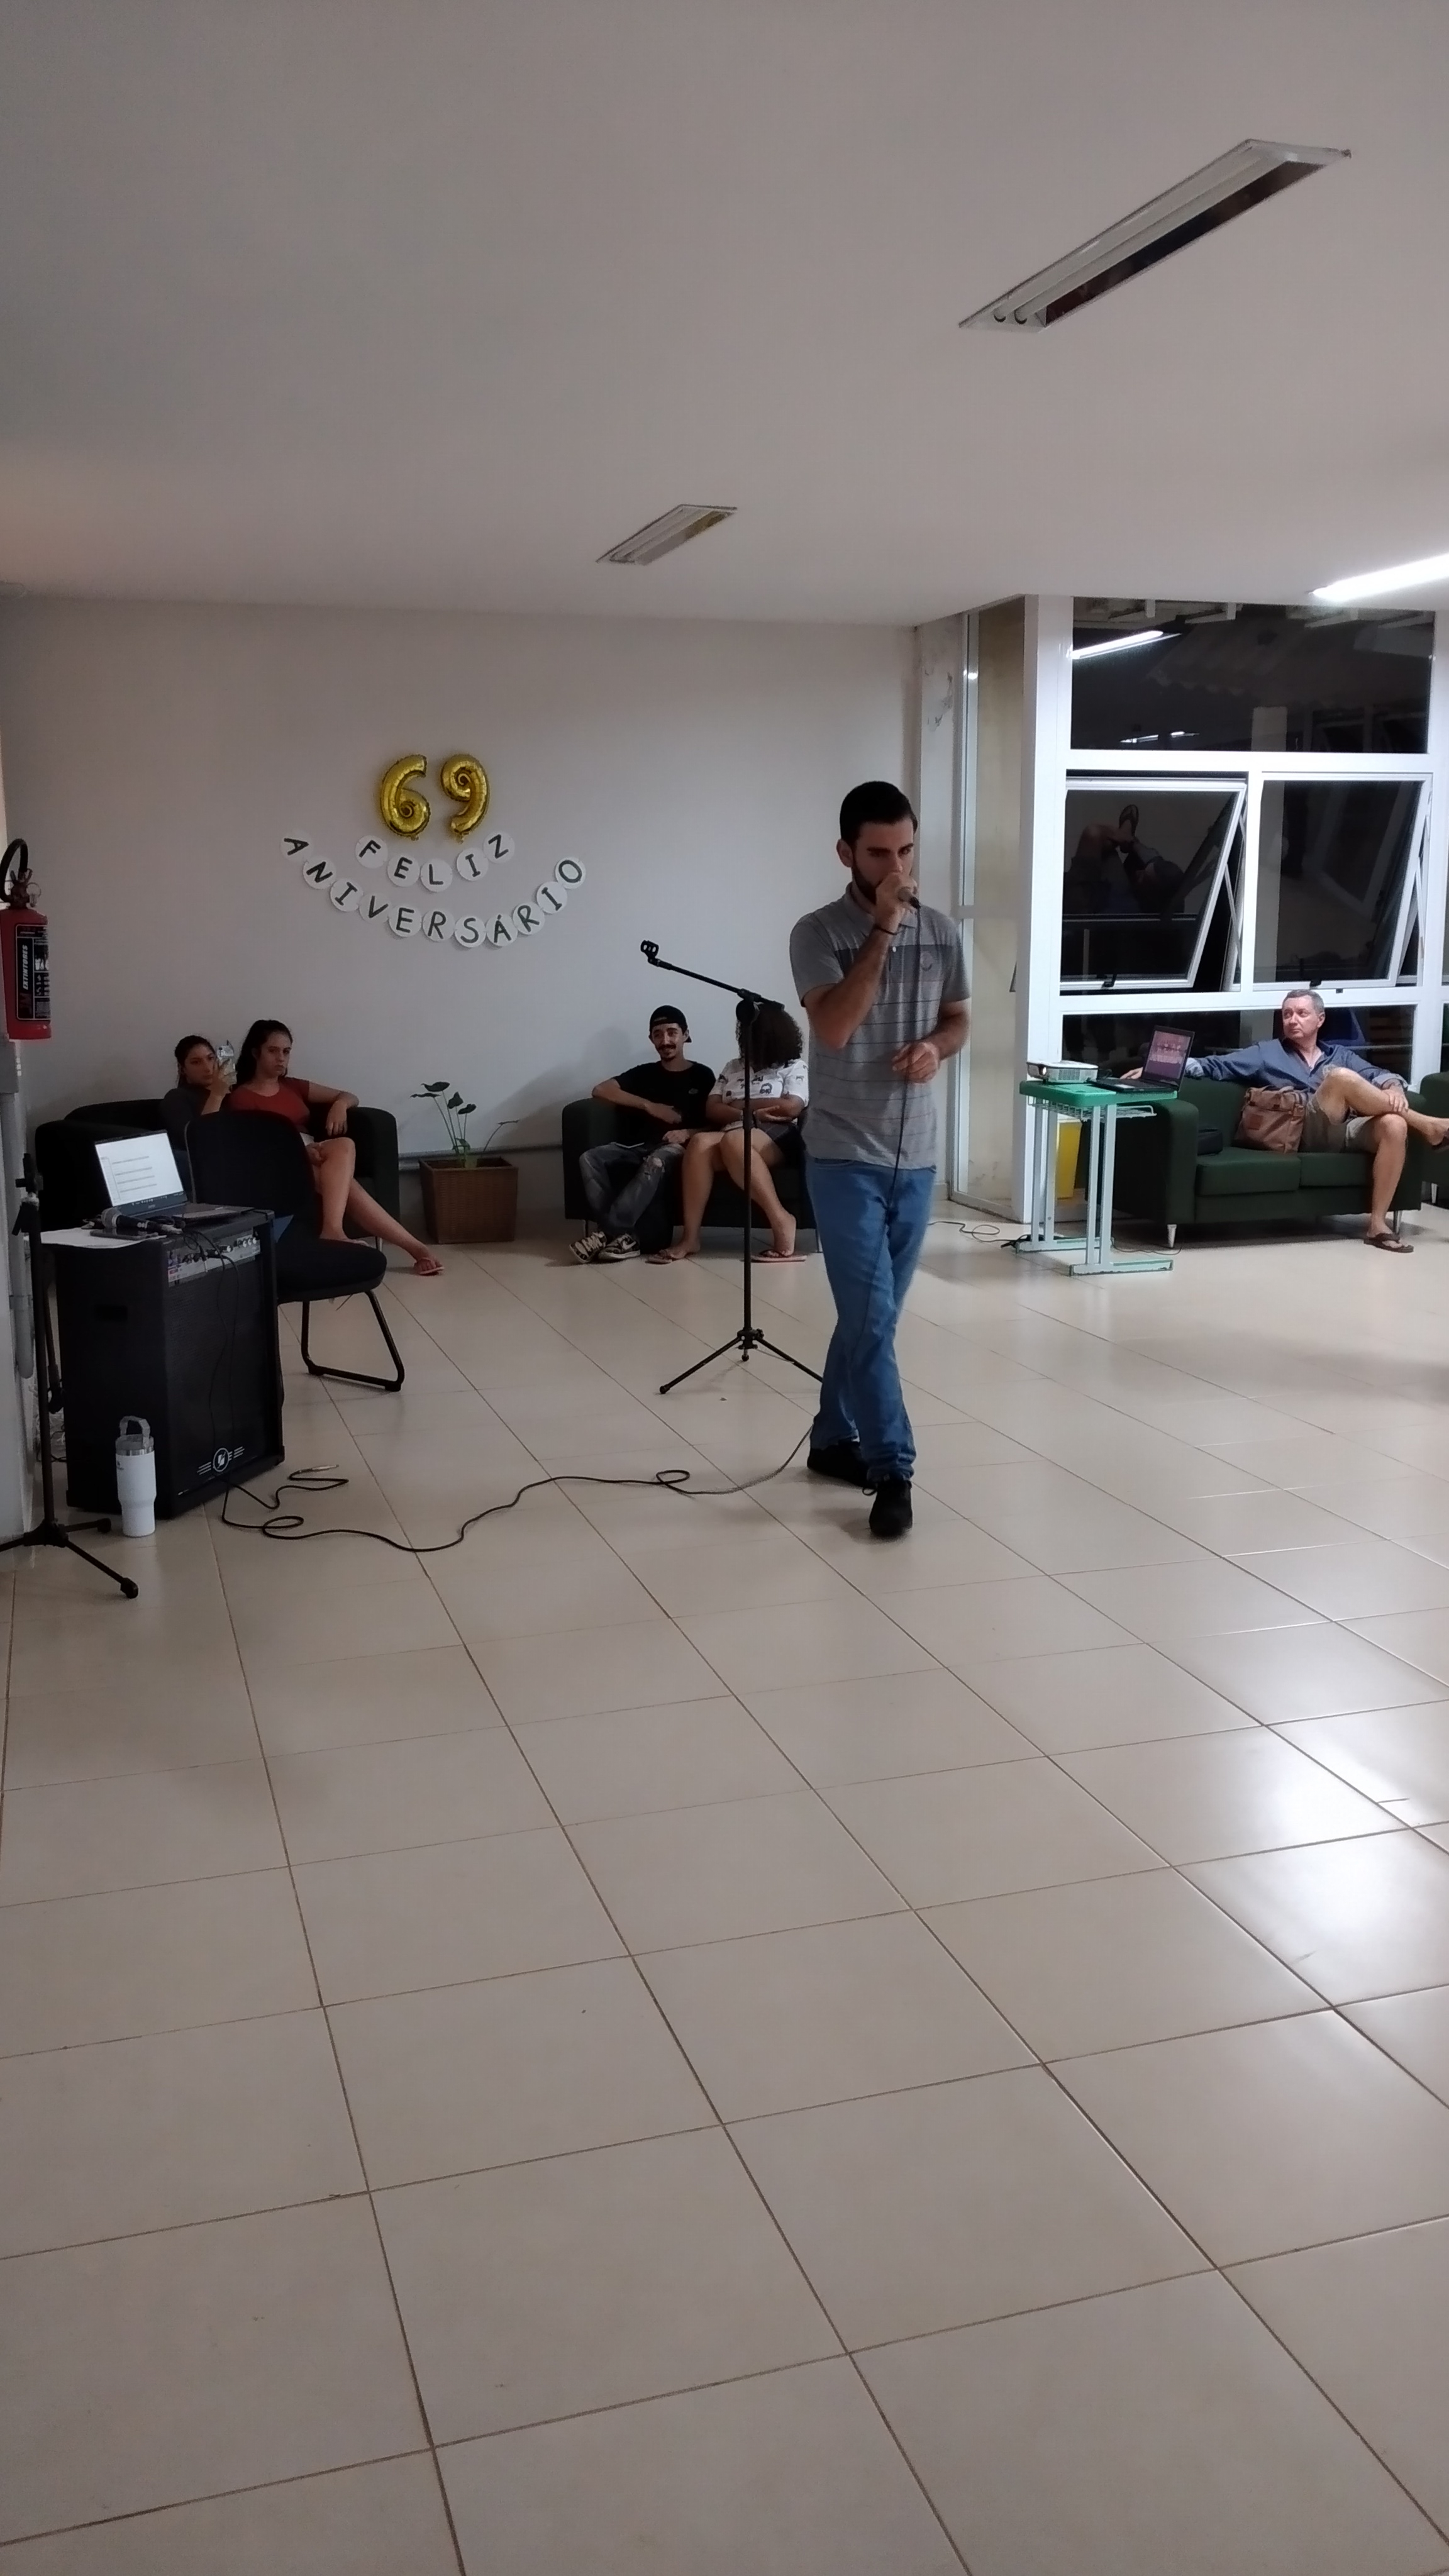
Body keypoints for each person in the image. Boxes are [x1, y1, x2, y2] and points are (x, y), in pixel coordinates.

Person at [789, 781, 969, 1539]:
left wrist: (936, 1047)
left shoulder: (944, 931)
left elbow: (958, 1020)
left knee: (873, 1317)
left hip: (916, 1156)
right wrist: (885, 929)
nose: (897, 868)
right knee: (870, 1317)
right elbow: (833, 1026)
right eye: (878, 854)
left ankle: (833, 1437)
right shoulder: (816, 932)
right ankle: (892, 1467)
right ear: (846, 854)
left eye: (906, 851)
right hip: (841, 1155)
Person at [1141, 987, 1449, 1252]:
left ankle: (1377, 1225)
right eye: (1287, 1014)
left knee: (1394, 1125)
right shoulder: (1267, 1053)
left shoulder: (1339, 1054)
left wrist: (1393, 1086)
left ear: (1320, 1019)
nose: (1292, 1020)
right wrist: (1156, 1069)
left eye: (1301, 1013)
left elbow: (1378, 1074)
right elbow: (1213, 1066)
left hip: (1343, 1129)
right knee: (1339, 1078)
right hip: (1302, 1130)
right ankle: (1429, 1125)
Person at [227, 1018, 442, 1275]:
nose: (281, 1058)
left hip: (313, 1150)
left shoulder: (293, 1086)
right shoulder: (242, 1096)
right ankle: (414, 1248)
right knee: (349, 1186)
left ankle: (334, 1231)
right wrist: (298, 1153)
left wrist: (340, 1105)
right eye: (273, 1051)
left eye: (286, 1051)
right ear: (255, 1053)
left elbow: (349, 1095)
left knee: (345, 1144)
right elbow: (252, 1144)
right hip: (279, 1160)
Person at [650, 1001, 809, 1263]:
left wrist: (738, 1105)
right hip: (735, 1130)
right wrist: (750, 1113)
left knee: (735, 1140)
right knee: (700, 1142)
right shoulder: (734, 1067)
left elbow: (791, 1107)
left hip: (776, 1134)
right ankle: (690, 1238)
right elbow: (713, 1109)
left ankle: (782, 1220)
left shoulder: (793, 1066)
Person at [571, 1005, 716, 1262]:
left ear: (685, 1035)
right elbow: (601, 1090)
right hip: (639, 1146)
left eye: (672, 1032)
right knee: (590, 1158)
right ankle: (624, 1236)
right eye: (658, 1034)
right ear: (651, 1039)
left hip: (678, 1151)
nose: (665, 1040)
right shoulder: (645, 1073)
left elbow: (715, 1125)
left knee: (656, 1161)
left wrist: (687, 1132)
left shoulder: (703, 1075)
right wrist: (651, 1106)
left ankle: (607, 1233)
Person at [161, 1034, 233, 1150]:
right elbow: (195, 1143)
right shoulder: (177, 1097)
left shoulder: (233, 1094)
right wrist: (216, 1096)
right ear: (183, 1069)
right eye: (196, 1062)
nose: (207, 1068)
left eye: (210, 1059)